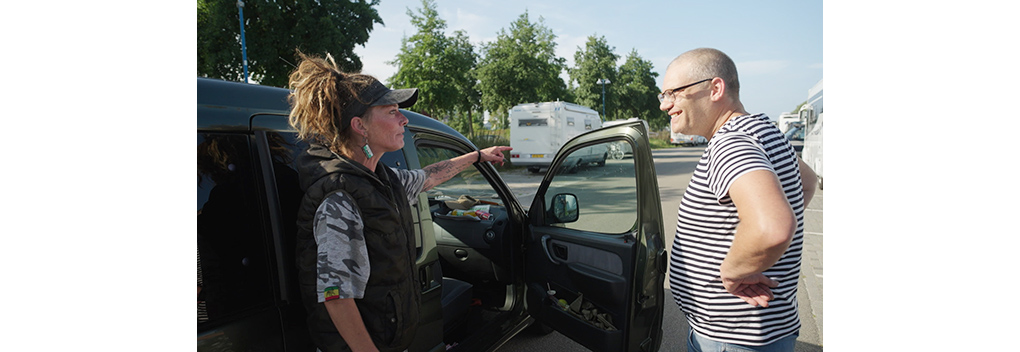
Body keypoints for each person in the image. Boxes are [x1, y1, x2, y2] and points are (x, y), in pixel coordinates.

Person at [286, 51, 511, 352]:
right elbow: (336, 297)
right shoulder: (339, 199)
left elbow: (428, 177)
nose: (404, 119)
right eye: (392, 111)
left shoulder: (381, 179)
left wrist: (478, 155)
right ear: (360, 126)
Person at [660, 48, 817, 352]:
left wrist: (733, 271)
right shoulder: (763, 130)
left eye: (674, 93)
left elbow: (772, 226)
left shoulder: (730, 144)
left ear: (715, 88)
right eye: (663, 95)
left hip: (733, 339)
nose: (666, 105)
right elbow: (806, 183)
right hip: (766, 330)